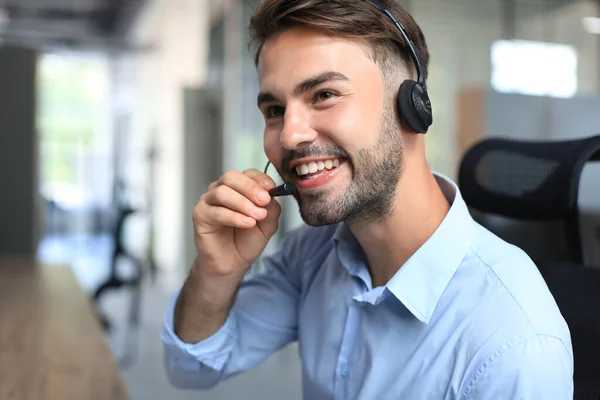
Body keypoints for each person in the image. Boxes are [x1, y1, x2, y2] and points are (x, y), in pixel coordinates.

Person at [161, 0, 574, 398]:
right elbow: (192, 368)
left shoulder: (512, 344)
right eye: (274, 109)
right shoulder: (313, 254)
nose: (289, 135)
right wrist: (217, 271)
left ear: (413, 107)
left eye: (324, 94)